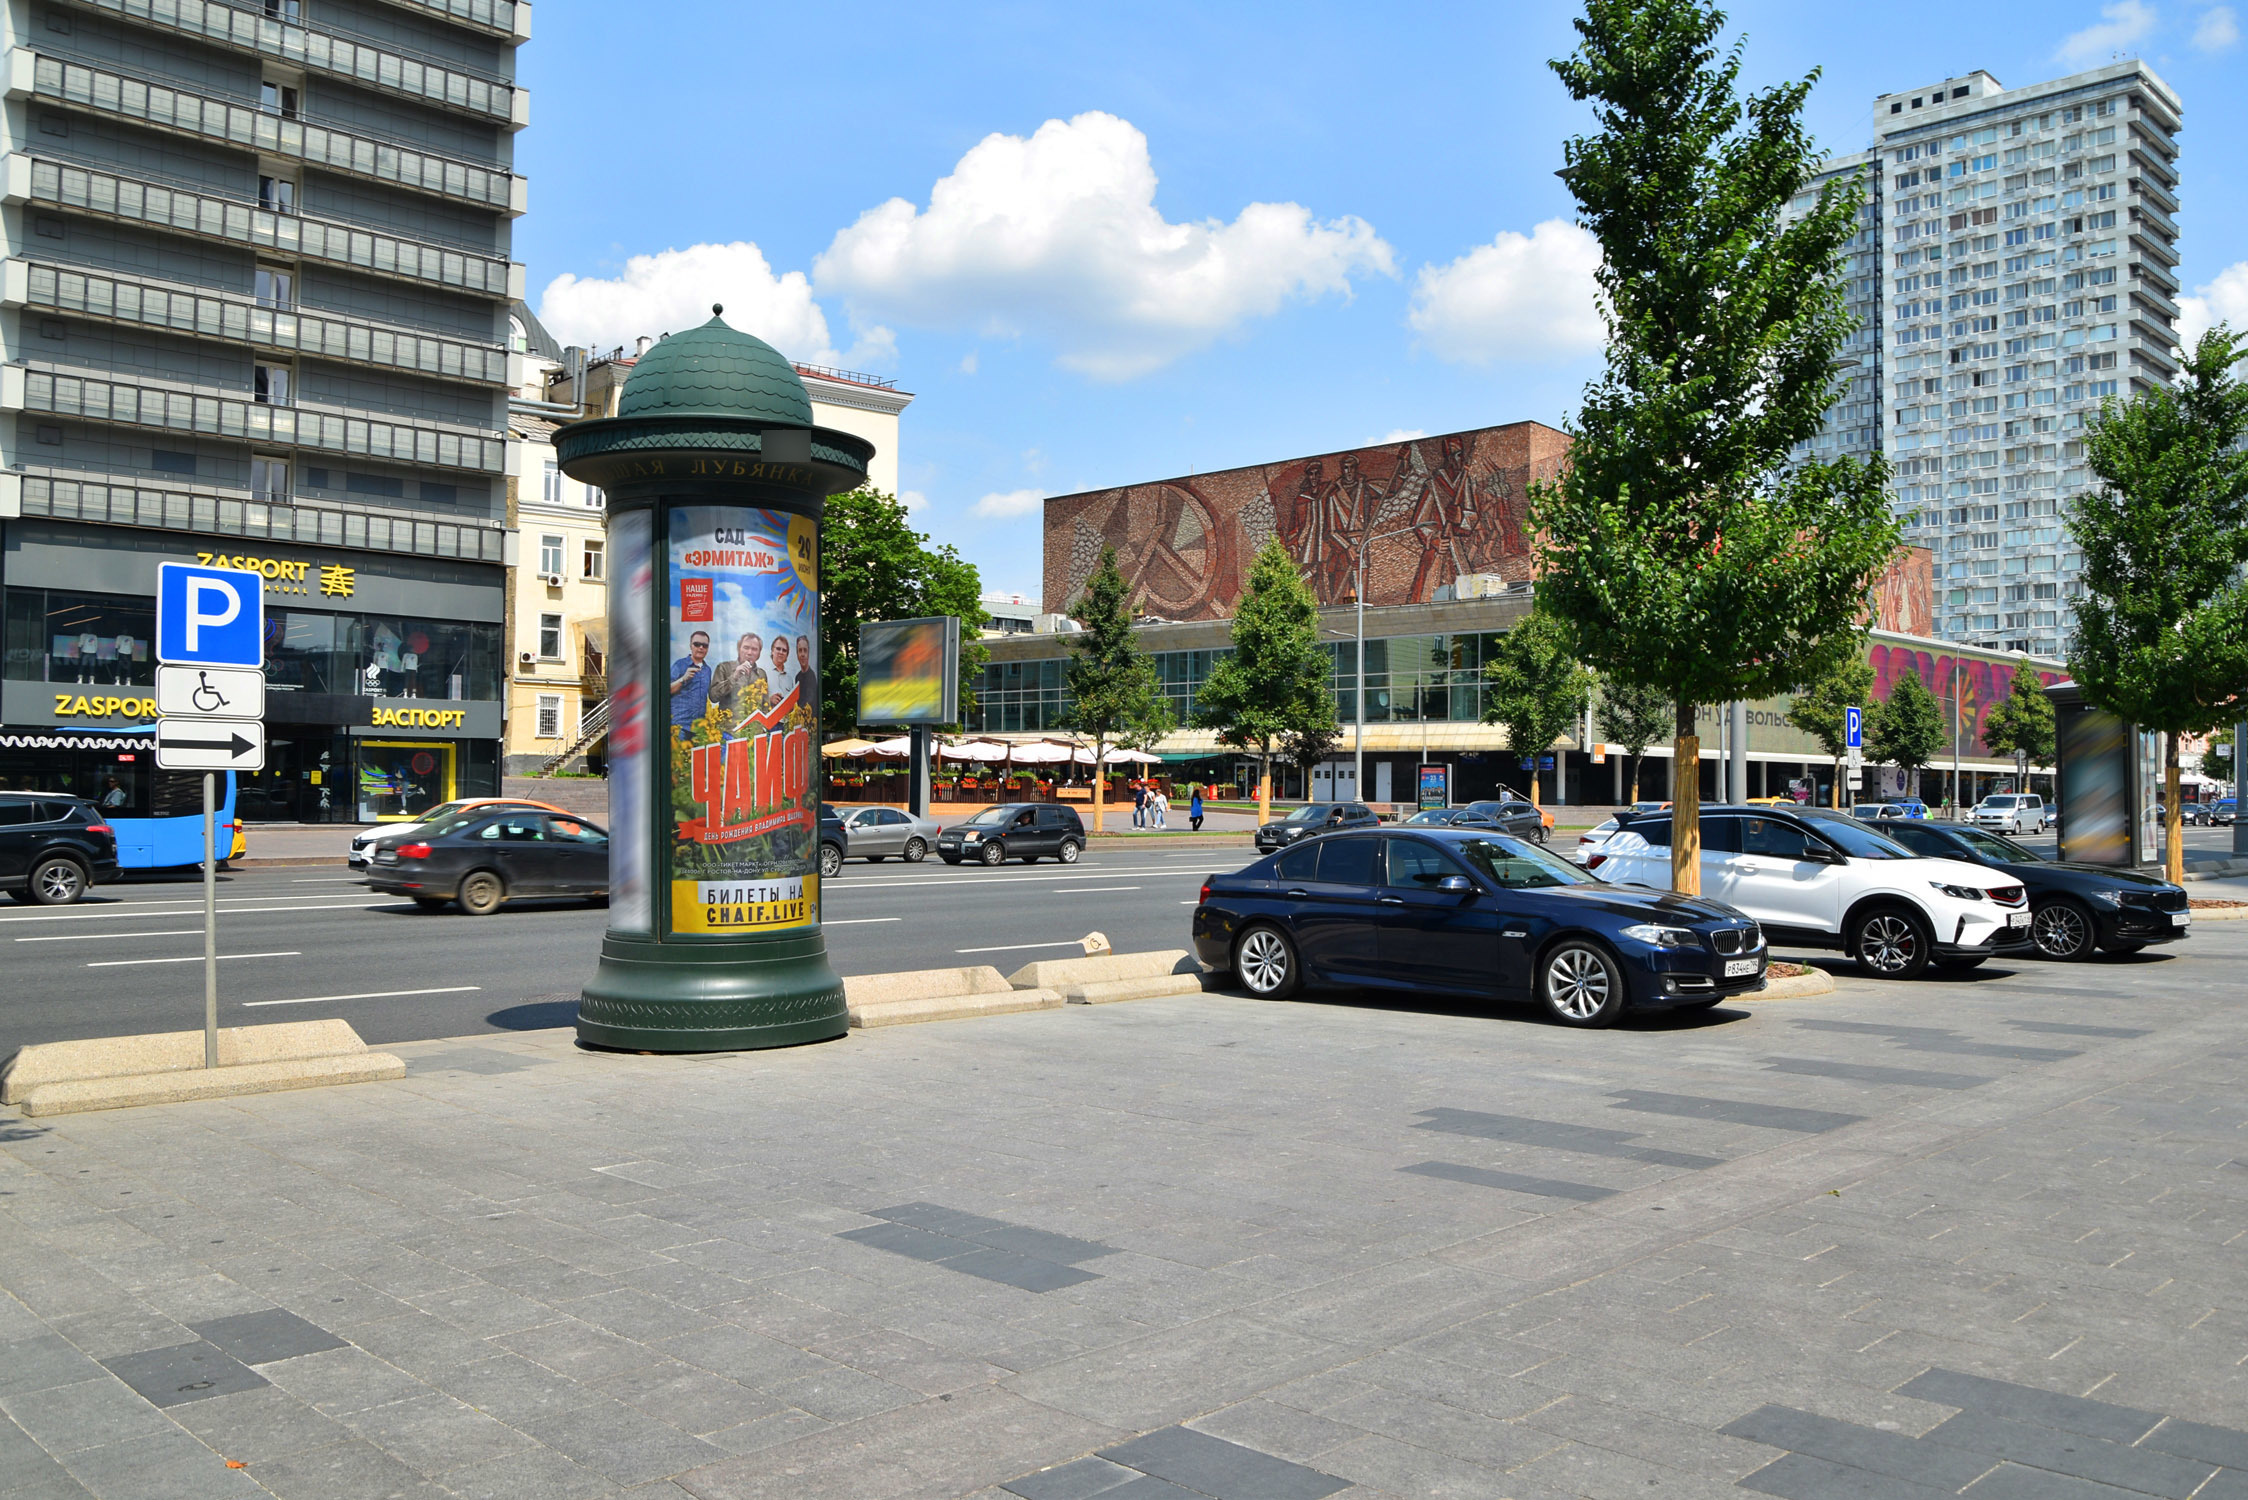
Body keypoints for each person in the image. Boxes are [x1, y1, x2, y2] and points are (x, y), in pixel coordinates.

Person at [710, 632, 764, 719]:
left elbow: (764, 704)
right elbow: (713, 697)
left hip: (754, 729)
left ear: (759, 653)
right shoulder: (724, 667)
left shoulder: (761, 674)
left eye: (754, 649)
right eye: (746, 648)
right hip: (728, 729)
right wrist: (734, 677)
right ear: (739, 649)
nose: (749, 652)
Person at [669, 630, 712, 729]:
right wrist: (683, 679)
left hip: (699, 727)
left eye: (704, 645)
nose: (701, 648)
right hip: (680, 725)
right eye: (697, 644)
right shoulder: (679, 665)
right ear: (690, 646)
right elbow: (666, 691)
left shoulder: (708, 670)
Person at [764, 635, 794, 701]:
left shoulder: (789, 679)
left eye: (784, 650)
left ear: (787, 655)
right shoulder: (763, 672)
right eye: (778, 649)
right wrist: (769, 700)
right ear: (772, 651)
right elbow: (756, 698)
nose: (781, 652)